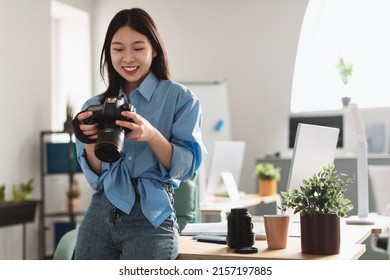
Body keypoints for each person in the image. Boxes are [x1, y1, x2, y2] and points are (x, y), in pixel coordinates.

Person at [72, 8, 207, 260]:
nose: (128, 58)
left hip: (150, 217)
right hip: (100, 213)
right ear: (108, 52)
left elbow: (186, 168)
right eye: (118, 49)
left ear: (154, 49)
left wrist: (150, 134)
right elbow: (97, 177)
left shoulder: (181, 99)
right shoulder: (94, 105)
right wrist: (90, 139)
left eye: (138, 48)